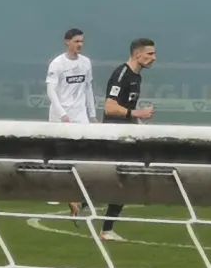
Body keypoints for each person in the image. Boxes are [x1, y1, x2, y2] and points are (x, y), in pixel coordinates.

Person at [99, 38, 157, 241]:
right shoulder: (122, 73)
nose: (154, 58)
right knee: (123, 181)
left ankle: (100, 222)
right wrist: (138, 114)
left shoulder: (137, 77)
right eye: (150, 54)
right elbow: (110, 107)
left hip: (126, 134)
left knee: (124, 181)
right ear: (137, 54)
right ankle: (103, 226)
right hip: (115, 135)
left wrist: (137, 123)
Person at [46, 28, 96, 218]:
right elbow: (51, 90)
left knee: (81, 154)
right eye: (76, 41)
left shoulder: (86, 63)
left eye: (82, 41)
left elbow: (88, 88)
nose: (80, 44)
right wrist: (62, 114)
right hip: (61, 116)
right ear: (67, 42)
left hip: (80, 115)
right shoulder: (57, 64)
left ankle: (76, 194)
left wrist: (91, 114)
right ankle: (55, 192)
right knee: (57, 154)